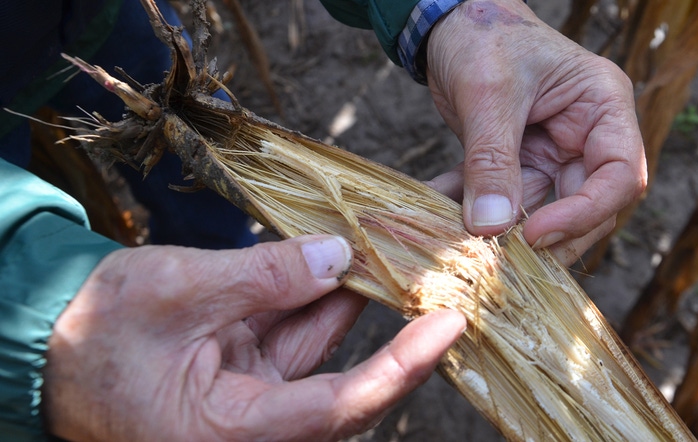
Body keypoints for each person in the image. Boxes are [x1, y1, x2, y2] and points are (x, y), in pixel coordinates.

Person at [0, 0, 646, 440]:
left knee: (209, 168)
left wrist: (459, 14)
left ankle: (222, 253)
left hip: (100, 15)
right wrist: (35, 306)